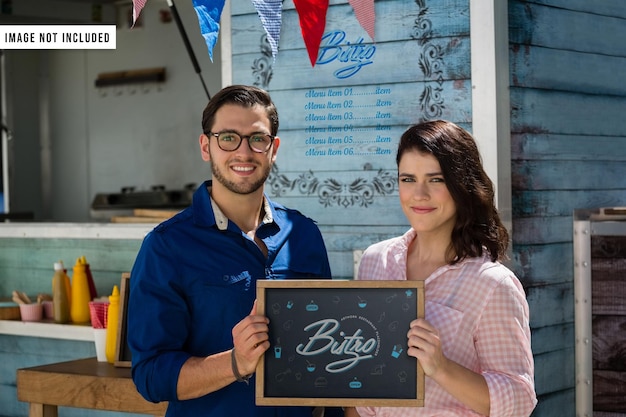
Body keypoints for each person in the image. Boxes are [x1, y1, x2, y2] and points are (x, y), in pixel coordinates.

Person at [127, 85, 332, 416]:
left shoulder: (304, 234)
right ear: (206, 146)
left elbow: (327, 353)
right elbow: (150, 375)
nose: (244, 152)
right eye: (228, 138)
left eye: (257, 138)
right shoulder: (166, 247)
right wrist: (235, 362)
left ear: (274, 148)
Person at [345, 120, 537, 417]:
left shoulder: (493, 284)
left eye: (436, 180)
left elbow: (520, 400)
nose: (419, 194)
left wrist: (441, 367)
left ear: (462, 186)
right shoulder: (375, 261)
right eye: (407, 179)